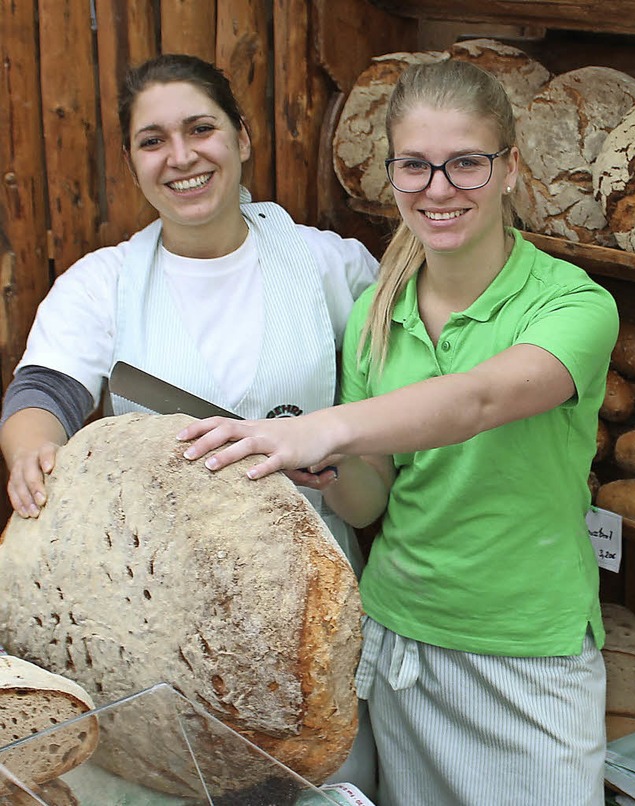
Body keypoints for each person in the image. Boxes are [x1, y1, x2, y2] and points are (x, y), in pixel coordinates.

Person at [177, 59, 620, 806]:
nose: (439, 189)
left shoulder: (573, 306)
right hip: (402, 643)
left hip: (529, 653)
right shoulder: (379, 321)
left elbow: (477, 400)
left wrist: (323, 428)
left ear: (510, 168)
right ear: (393, 174)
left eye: (466, 164)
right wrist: (331, 467)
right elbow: (369, 502)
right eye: (415, 166)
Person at [0, 53, 379, 797]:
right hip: (162, 636)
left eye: (201, 128)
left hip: (318, 620)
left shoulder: (332, 267)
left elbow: (385, 411)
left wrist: (335, 453)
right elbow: (43, 390)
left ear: (242, 137)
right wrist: (33, 453)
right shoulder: (103, 283)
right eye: (153, 140)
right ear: (133, 160)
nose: (181, 157)